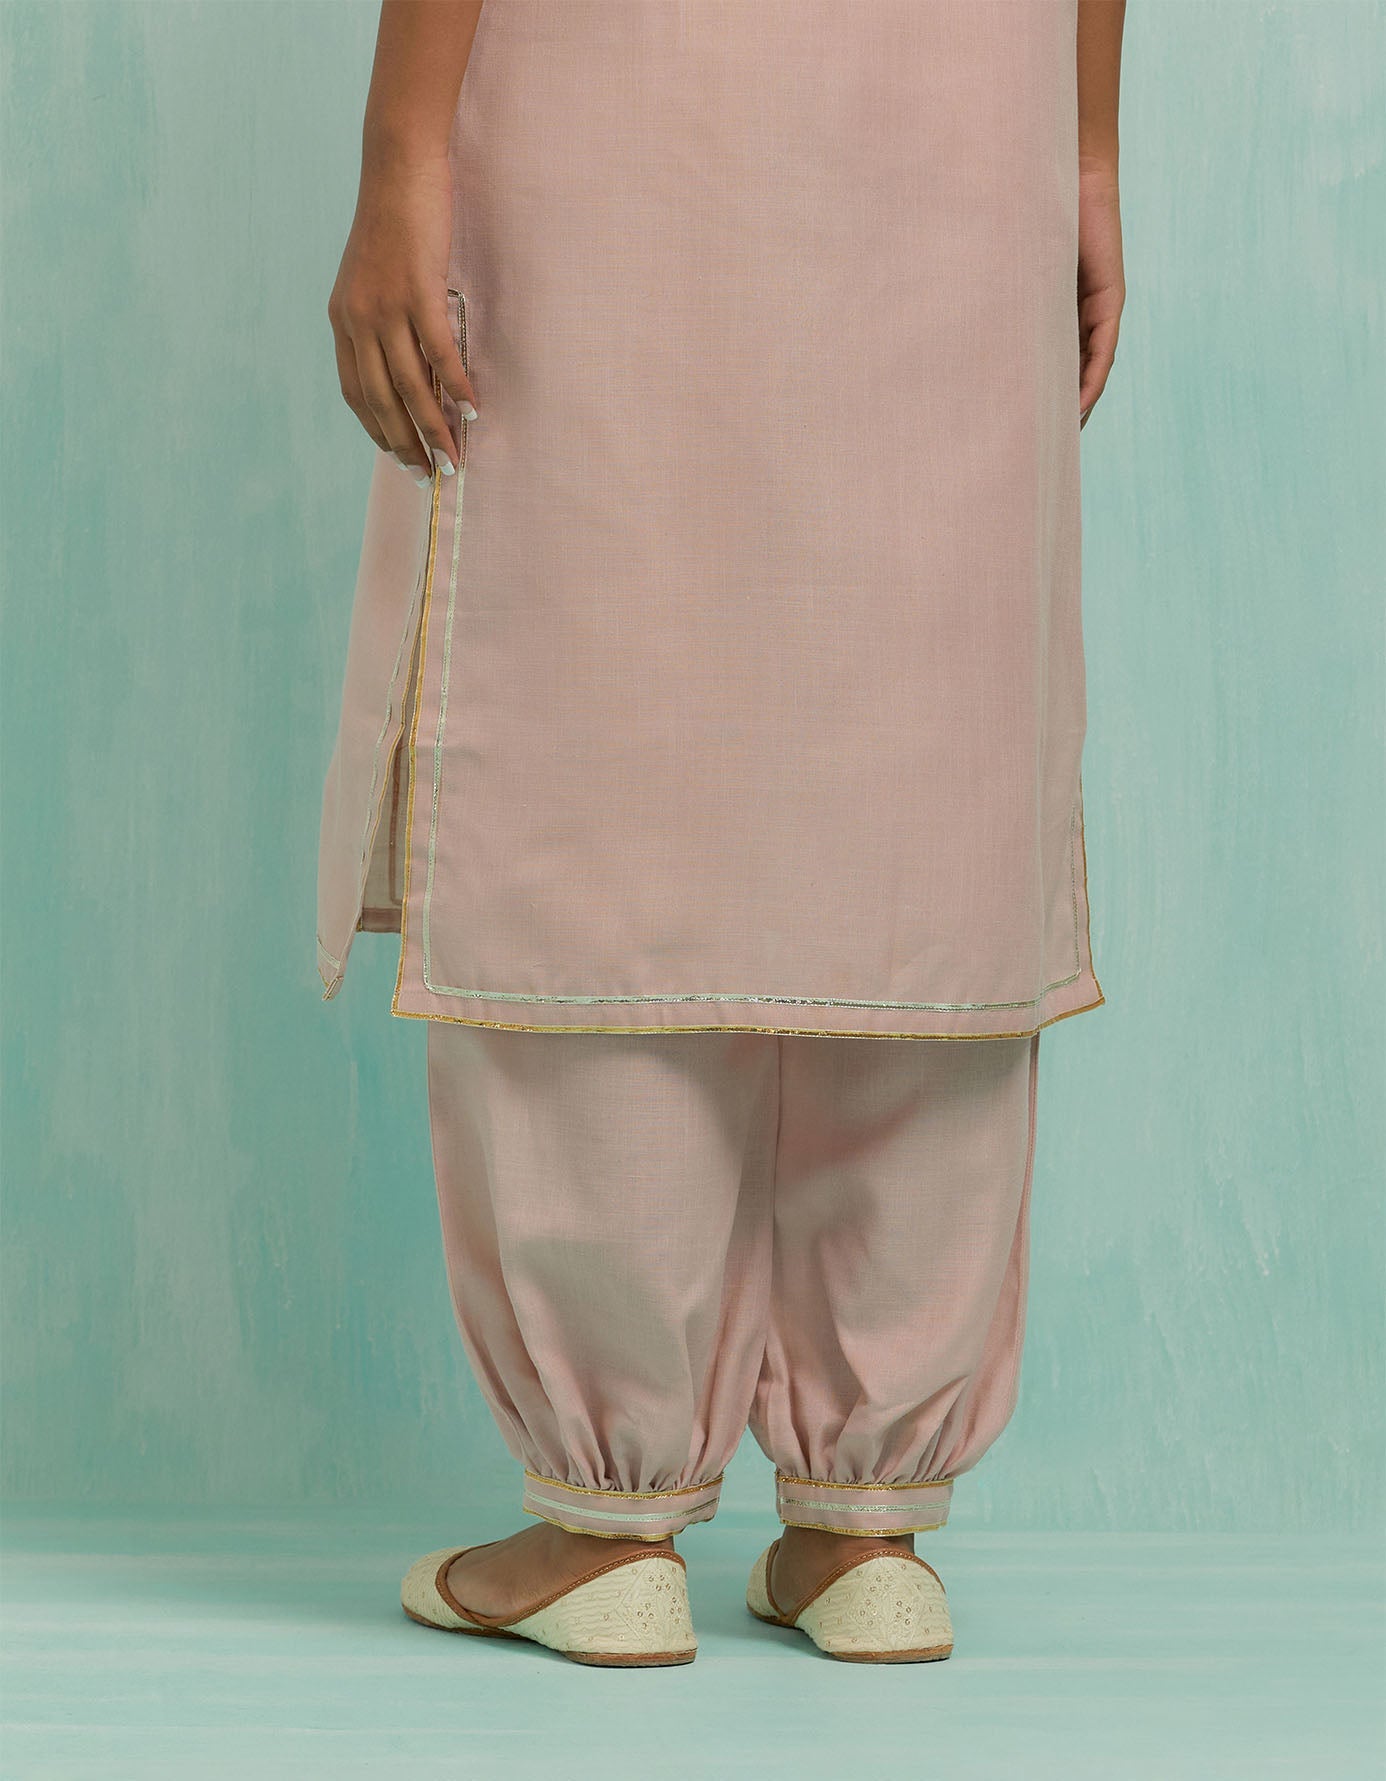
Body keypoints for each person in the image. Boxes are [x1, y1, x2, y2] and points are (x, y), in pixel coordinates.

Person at [318, 0, 1125, 1667]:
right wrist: (1087, 149)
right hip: (972, 102)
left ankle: (604, 1524)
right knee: (918, 754)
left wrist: (401, 155)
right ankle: (865, 1523)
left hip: (624, 89)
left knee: (605, 739)